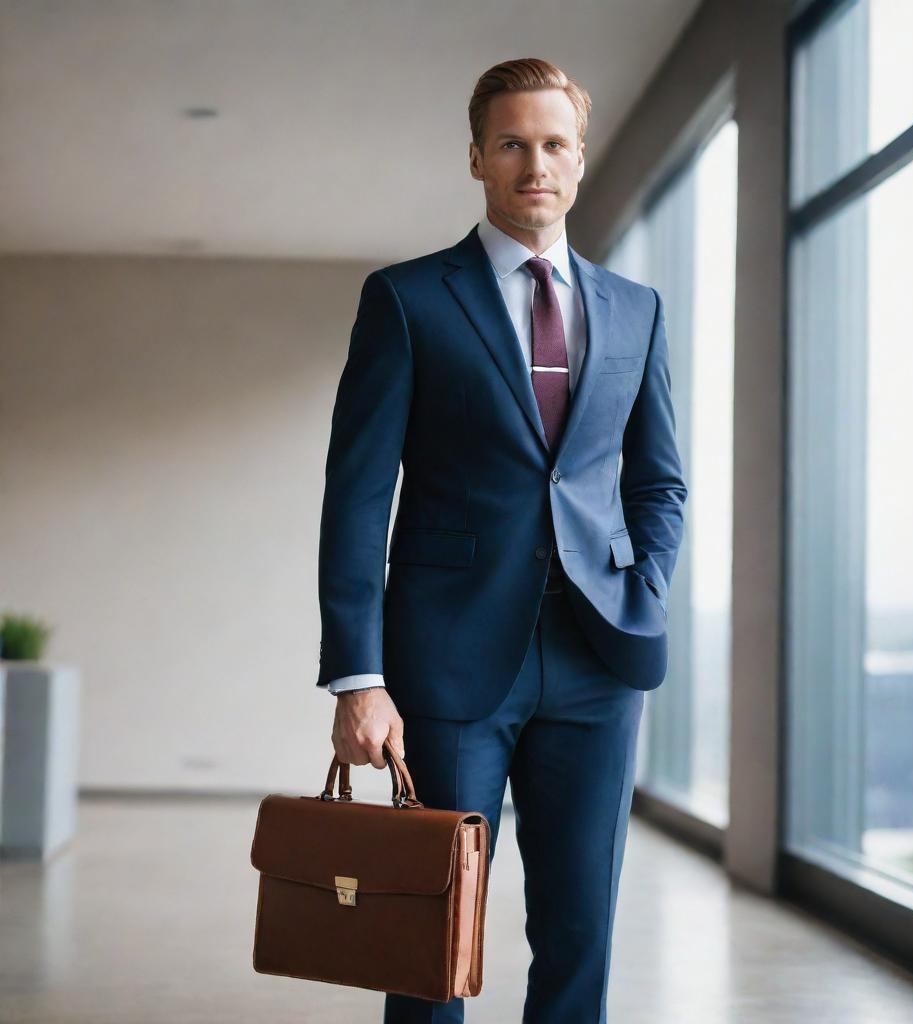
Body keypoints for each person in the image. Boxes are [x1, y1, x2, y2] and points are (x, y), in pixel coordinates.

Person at [315, 56, 687, 1024]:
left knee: (579, 929)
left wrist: (641, 582)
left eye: (555, 143)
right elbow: (356, 499)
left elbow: (658, 480)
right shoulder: (406, 299)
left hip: (596, 659)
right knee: (432, 932)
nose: (536, 163)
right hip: (445, 665)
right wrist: (359, 676)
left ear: (579, 156)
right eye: (513, 143)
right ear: (477, 157)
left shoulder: (635, 309)